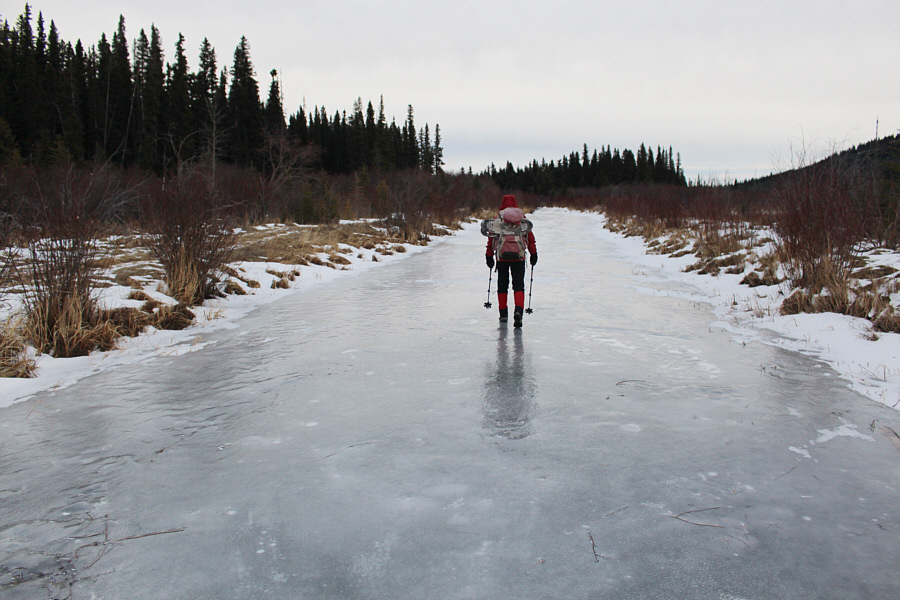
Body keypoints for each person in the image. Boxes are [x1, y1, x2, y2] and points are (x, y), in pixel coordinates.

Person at [485, 195, 537, 327]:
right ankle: (518, 311)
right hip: (519, 256)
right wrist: (533, 253)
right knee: (518, 284)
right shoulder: (522, 218)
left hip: (502, 256)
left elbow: (491, 238)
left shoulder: (498, 218)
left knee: (502, 284)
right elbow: (529, 236)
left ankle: (503, 314)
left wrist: (489, 255)